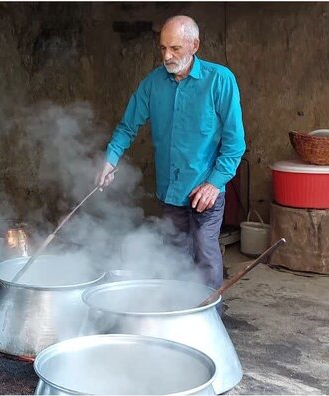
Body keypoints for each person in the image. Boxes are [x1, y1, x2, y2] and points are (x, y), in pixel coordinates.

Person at [96, 15, 246, 293]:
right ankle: (176, 319)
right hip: (170, 190)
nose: (166, 55)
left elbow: (235, 143)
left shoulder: (220, 80)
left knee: (205, 254)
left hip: (205, 189)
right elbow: (127, 127)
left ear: (195, 45)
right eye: (163, 48)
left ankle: (208, 321)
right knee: (174, 257)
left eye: (175, 48)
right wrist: (110, 160)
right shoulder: (153, 84)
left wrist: (215, 183)